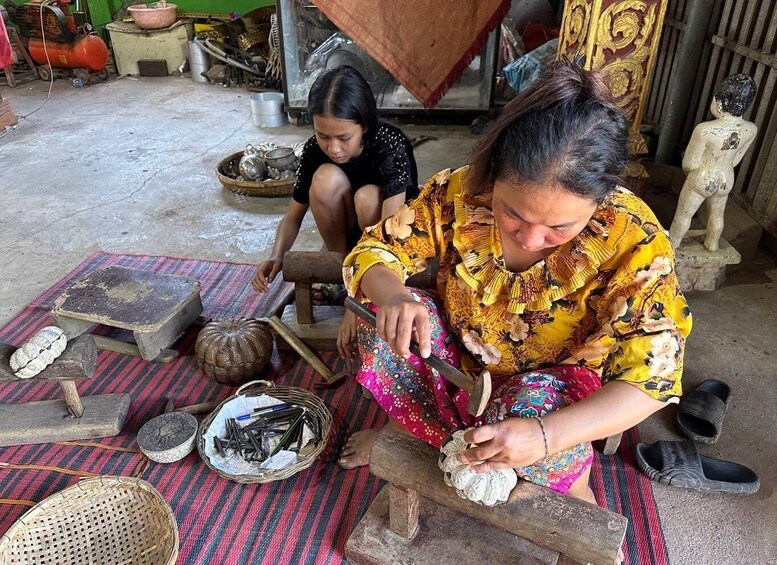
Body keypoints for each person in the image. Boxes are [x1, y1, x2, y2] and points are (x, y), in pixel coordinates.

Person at [339, 58, 692, 509]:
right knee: (387, 323)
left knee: (535, 415)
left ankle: (575, 489)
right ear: (495, 174)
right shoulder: (461, 192)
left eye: (559, 228)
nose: (529, 239)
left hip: (554, 391)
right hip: (460, 365)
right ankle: (416, 431)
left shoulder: (632, 240)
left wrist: (545, 437)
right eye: (513, 214)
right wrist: (392, 295)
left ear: (600, 202)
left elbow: (654, 375)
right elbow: (377, 250)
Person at [251, 65, 419, 361]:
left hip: (387, 242)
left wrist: (356, 304)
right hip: (346, 240)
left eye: (344, 137)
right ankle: (340, 274)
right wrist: (277, 255)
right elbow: (293, 216)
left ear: (364, 126)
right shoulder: (315, 150)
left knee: (367, 197)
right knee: (325, 179)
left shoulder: (390, 144)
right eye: (323, 136)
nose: (334, 147)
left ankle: (355, 284)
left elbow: (389, 238)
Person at [668, 74, 757, 251]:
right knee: (717, 213)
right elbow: (737, 158)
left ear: (720, 101)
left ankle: (673, 244)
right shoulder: (750, 129)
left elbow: (690, 163)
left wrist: (692, 176)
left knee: (684, 214)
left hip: (703, 176)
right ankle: (712, 242)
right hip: (726, 177)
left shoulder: (705, 130)